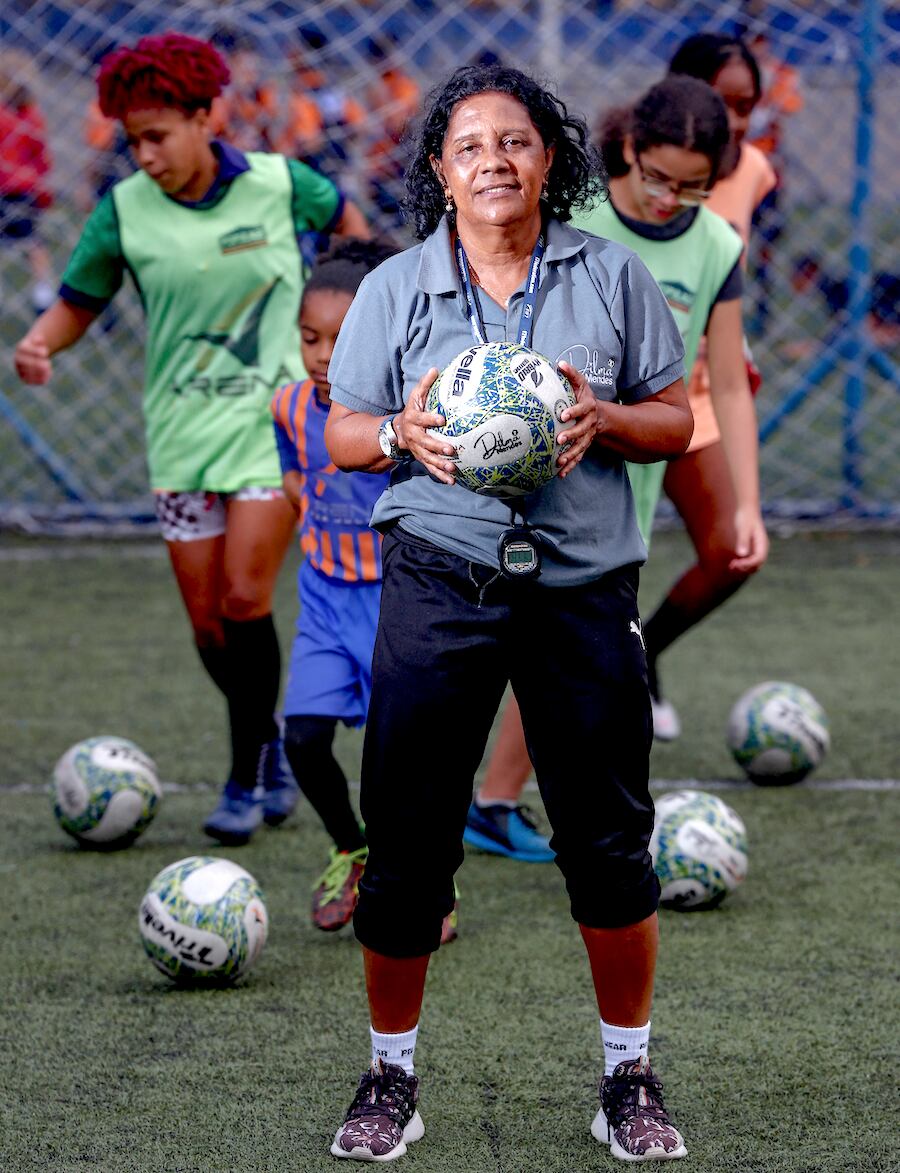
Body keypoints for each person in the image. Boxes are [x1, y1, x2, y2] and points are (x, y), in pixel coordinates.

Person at [323, 63, 693, 1163]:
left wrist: (605, 420)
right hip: (440, 577)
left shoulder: (612, 276)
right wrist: (403, 436)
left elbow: (675, 419)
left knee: (610, 844)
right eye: (471, 145)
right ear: (440, 170)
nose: (494, 159)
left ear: (552, 160)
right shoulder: (396, 288)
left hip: (580, 586)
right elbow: (343, 431)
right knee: (408, 847)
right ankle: (390, 1077)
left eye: (517, 142)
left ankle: (627, 1074)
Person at [13, 32, 369, 846]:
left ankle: (246, 774)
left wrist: (350, 331)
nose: (142, 154)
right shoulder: (122, 212)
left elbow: (357, 248)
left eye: (157, 135)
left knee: (246, 598)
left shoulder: (284, 185)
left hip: (271, 427)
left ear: (208, 117)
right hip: (179, 435)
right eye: (132, 139)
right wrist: (40, 341)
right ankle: (271, 742)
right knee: (210, 625)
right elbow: (79, 297)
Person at [474, 75, 767, 829]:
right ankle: (488, 802)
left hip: (628, 462)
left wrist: (750, 506)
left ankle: (497, 802)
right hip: (540, 465)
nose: (669, 199)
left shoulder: (716, 247)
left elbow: (726, 385)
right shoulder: (575, 214)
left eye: (692, 188)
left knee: (570, 645)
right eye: (657, 178)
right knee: (534, 640)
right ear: (630, 149)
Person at [0, 50, 55, 314]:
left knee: (29, 242)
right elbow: (42, 156)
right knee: (34, 242)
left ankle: (43, 289)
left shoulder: (5, 117)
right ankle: (43, 290)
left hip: (7, 189)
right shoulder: (32, 117)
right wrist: (40, 181)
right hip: (25, 189)